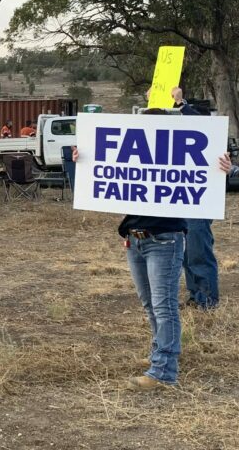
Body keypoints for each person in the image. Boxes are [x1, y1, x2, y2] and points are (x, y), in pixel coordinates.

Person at [72, 109, 190, 391]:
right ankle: (160, 356)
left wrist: (221, 166)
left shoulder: (179, 154)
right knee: (151, 306)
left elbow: (206, 175)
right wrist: (83, 161)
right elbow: (103, 184)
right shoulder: (134, 154)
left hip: (165, 240)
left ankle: (164, 372)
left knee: (164, 307)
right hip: (135, 240)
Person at [172, 87, 219, 309]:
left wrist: (182, 105)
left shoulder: (208, 135)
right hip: (184, 202)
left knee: (199, 252)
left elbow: (201, 125)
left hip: (199, 203)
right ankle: (196, 296)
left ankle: (207, 300)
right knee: (189, 254)